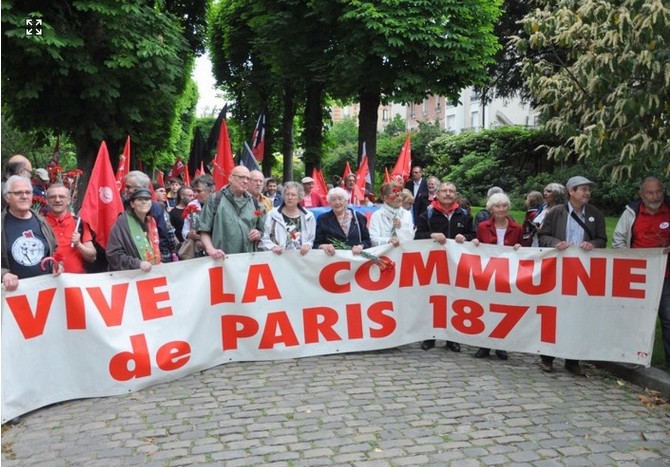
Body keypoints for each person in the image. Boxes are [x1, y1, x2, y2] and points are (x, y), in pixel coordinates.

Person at [538, 175, 607, 375]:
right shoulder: (556, 213)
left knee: (578, 314)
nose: (587, 193)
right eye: (582, 189)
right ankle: (547, 357)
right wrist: (555, 243)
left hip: (582, 273)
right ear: (571, 191)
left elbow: (602, 238)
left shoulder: (595, 214)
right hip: (558, 271)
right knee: (555, 312)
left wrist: (592, 244)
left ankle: (572, 359)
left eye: (588, 189)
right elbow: (543, 235)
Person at [612, 176, 670, 371]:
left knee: (668, 318)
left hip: (666, 275)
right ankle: (634, 356)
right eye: (650, 192)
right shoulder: (631, 213)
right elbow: (618, 239)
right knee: (636, 316)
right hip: (639, 276)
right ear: (641, 194)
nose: (655, 196)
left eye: (658, 191)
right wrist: (629, 260)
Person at [415, 181, 475, 352]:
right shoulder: (427, 214)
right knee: (431, 300)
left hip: (456, 266)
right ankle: (429, 337)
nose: (448, 194)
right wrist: (431, 235)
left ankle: (452, 338)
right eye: (444, 191)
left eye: (451, 191)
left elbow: (473, 235)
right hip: (432, 267)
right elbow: (417, 237)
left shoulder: (464, 214)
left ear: (456, 194)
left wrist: (466, 237)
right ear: (437, 194)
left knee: (454, 300)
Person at [471, 192, 524, 360]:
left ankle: (501, 345)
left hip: (507, 275)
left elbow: (526, 248)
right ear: (491, 210)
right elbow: (477, 246)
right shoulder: (483, 227)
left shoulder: (517, 228)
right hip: (488, 274)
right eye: (497, 206)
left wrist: (519, 246)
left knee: (503, 309)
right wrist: (475, 244)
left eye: (504, 206)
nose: (501, 209)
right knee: (486, 308)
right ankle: (484, 345)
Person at [2, 175, 62, 291]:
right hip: (12, 297)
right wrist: (3, 274)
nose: (24, 196)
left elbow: (54, 250)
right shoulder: (2, 224)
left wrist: (57, 265)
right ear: (7, 197)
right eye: (18, 193)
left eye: (28, 192)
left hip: (44, 292)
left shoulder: (42, 221)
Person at [199, 166, 266, 258]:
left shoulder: (255, 203)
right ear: (230, 178)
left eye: (248, 178)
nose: (245, 181)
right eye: (241, 177)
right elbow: (203, 230)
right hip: (220, 259)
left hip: (247, 260)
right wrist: (210, 249)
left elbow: (263, 230)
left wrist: (258, 234)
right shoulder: (216, 199)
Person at [123, 171, 178, 263]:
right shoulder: (121, 204)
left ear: (140, 188)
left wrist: (166, 257)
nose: (126, 190)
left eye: (129, 187)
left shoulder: (157, 208)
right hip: (133, 261)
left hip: (157, 259)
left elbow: (167, 233)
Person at [45, 183, 97, 273]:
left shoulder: (79, 223)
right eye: (53, 197)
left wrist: (79, 245)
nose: (57, 200)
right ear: (47, 201)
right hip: (48, 282)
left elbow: (92, 257)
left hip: (76, 282)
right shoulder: (40, 224)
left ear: (69, 200)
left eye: (61, 196)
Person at [106, 189, 161, 271]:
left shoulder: (151, 221)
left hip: (152, 273)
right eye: (140, 199)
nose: (144, 202)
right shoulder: (122, 222)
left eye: (147, 199)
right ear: (132, 204)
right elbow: (113, 254)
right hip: (131, 275)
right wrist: (137, 264)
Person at [260, 181, 316, 255]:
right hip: (279, 258)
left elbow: (311, 239)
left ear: (299, 197)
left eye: (293, 195)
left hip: (301, 259)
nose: (289, 197)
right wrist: (272, 247)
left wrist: (308, 245)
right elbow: (264, 238)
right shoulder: (272, 214)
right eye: (287, 194)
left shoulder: (308, 216)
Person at [314, 187, 371, 255]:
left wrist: (360, 246)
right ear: (329, 202)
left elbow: (367, 241)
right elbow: (316, 244)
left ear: (345, 201)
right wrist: (323, 246)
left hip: (356, 260)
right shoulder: (323, 219)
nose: (337, 202)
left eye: (340, 199)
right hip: (332, 261)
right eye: (333, 200)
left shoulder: (358, 217)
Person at [369, 182, 415, 246]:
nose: (400, 198)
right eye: (396, 195)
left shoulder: (407, 214)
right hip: (384, 254)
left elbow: (411, 237)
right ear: (386, 198)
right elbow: (373, 239)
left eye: (401, 195)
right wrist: (388, 241)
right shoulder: (377, 215)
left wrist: (401, 227)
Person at [182, 175, 214, 258]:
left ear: (210, 190)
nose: (195, 194)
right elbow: (184, 231)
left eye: (199, 191)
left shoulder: (219, 205)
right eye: (194, 191)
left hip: (215, 251)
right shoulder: (192, 205)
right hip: (196, 253)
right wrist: (190, 234)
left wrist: (206, 243)